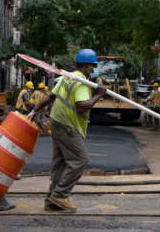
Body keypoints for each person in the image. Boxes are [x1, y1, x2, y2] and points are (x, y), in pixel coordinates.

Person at [28, 49, 107, 213]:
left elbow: (51, 97)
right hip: (68, 126)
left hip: (56, 123)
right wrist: (98, 95)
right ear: (86, 66)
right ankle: (60, 195)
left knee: (61, 163)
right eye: (93, 66)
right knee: (80, 160)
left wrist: (34, 110)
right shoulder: (82, 83)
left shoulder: (67, 77)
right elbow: (82, 106)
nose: (94, 70)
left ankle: (51, 201)